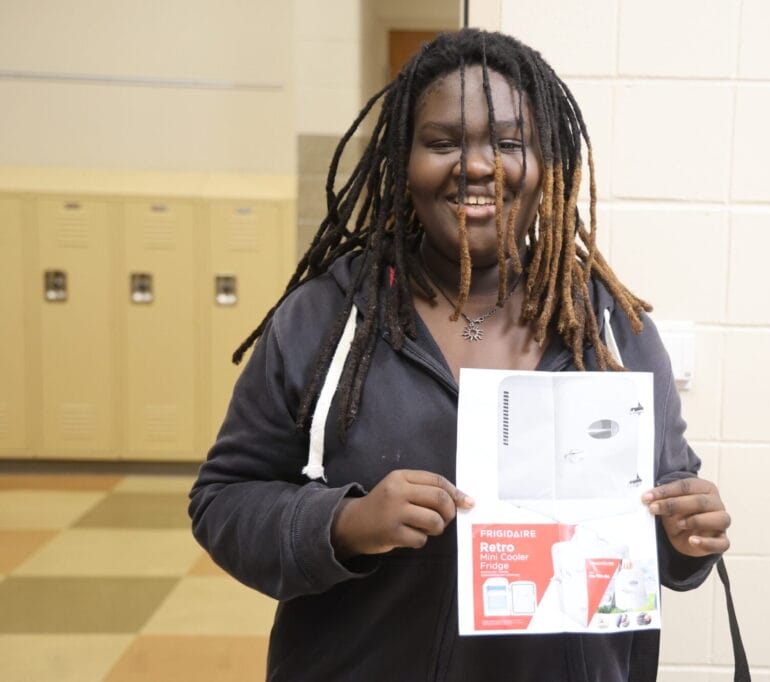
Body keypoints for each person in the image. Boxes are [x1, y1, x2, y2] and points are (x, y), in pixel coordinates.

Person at [189, 28, 732, 682]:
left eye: (508, 144)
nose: (477, 166)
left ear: (548, 164)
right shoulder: (323, 319)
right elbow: (222, 502)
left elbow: (668, 526)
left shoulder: (613, 329)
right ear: (402, 160)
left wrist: (686, 540)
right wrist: (346, 523)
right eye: (443, 142)